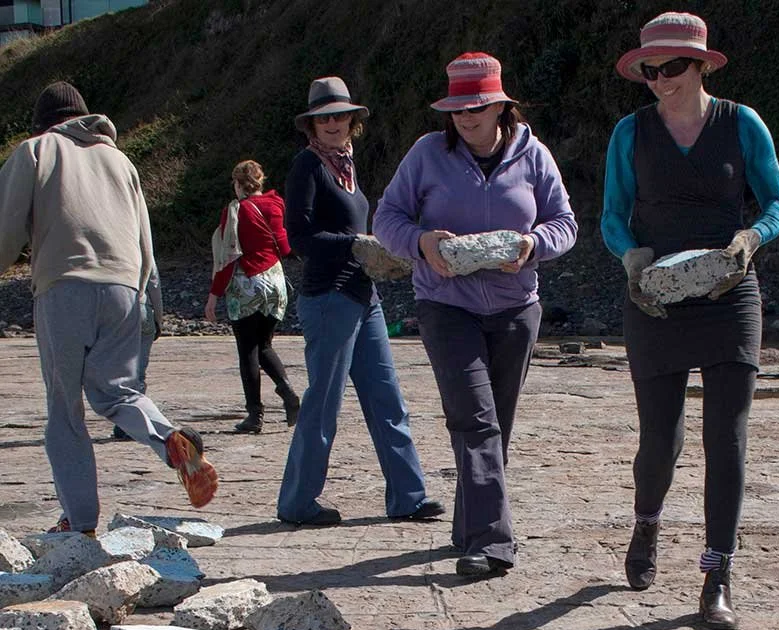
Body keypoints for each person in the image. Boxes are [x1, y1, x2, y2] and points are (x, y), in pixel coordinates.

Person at [601, 12, 779, 630]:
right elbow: (610, 216)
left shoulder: (743, 124)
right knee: (660, 439)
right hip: (655, 296)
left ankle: (717, 576)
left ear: (703, 65)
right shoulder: (630, 133)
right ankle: (647, 523)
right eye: (650, 70)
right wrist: (627, 253)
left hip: (730, 294)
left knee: (726, 437)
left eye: (673, 68)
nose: (659, 80)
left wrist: (750, 237)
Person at [374, 53, 578, 577]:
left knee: (494, 427)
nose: (465, 117)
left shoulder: (534, 156)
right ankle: (492, 542)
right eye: (457, 108)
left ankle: (469, 526)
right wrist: (421, 242)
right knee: (475, 418)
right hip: (446, 306)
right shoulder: (426, 154)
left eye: (477, 107)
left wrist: (533, 245)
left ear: (500, 106)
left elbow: (565, 223)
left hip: (516, 309)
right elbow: (387, 216)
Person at [0, 81, 218, 536]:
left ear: (44, 122)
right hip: (125, 289)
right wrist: (153, 305)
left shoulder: (35, 150)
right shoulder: (121, 160)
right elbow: (146, 240)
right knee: (118, 394)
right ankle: (169, 439)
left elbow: (6, 233)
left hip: (65, 288)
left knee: (65, 410)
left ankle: (79, 522)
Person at [276, 76, 443, 526]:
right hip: (328, 297)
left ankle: (408, 497)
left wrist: (366, 249)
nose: (333, 123)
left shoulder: (346, 165)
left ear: (353, 121)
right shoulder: (307, 167)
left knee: (387, 397)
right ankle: (296, 503)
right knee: (324, 402)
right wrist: (355, 244)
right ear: (312, 125)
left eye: (340, 116)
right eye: (324, 117)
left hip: (362, 294)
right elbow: (299, 238)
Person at [204, 160, 300, 434]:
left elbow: (228, 258)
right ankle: (288, 394)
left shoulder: (235, 210)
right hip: (275, 282)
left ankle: (254, 415)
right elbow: (284, 246)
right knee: (265, 345)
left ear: (237, 183)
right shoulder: (276, 205)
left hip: (247, 283)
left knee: (247, 350)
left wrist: (214, 295)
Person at [112, 262, 162, 440]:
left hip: (117, 311)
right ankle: (134, 422)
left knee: (120, 371)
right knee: (138, 372)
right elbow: (154, 285)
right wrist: (159, 318)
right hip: (142, 310)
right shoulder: (143, 253)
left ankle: (122, 422)